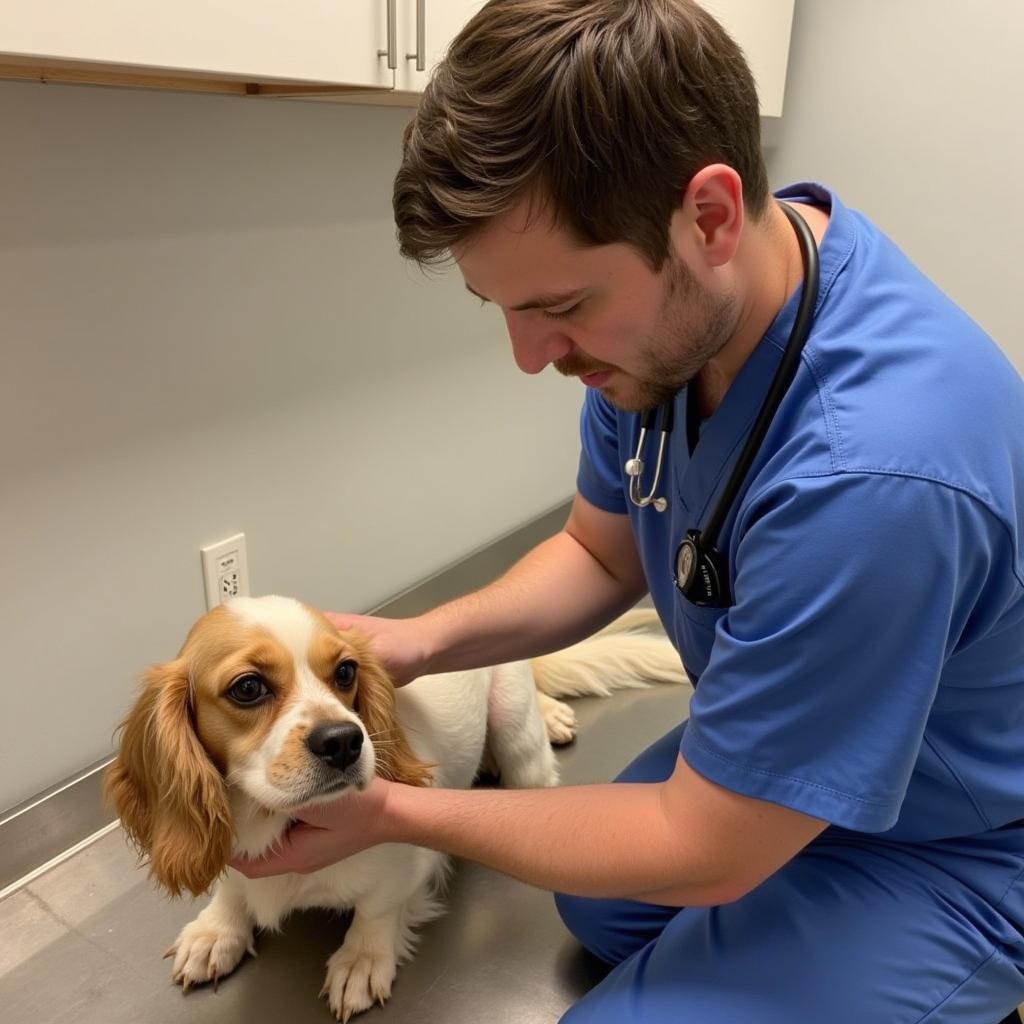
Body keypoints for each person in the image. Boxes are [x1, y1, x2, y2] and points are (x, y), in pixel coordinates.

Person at [232, 1, 1024, 1020]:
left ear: (709, 217)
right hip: (820, 782)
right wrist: (422, 642)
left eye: (558, 306)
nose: (531, 355)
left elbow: (702, 849)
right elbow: (600, 554)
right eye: (504, 307)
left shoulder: (868, 477)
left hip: (957, 844)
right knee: (595, 904)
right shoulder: (685, 334)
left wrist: (393, 813)